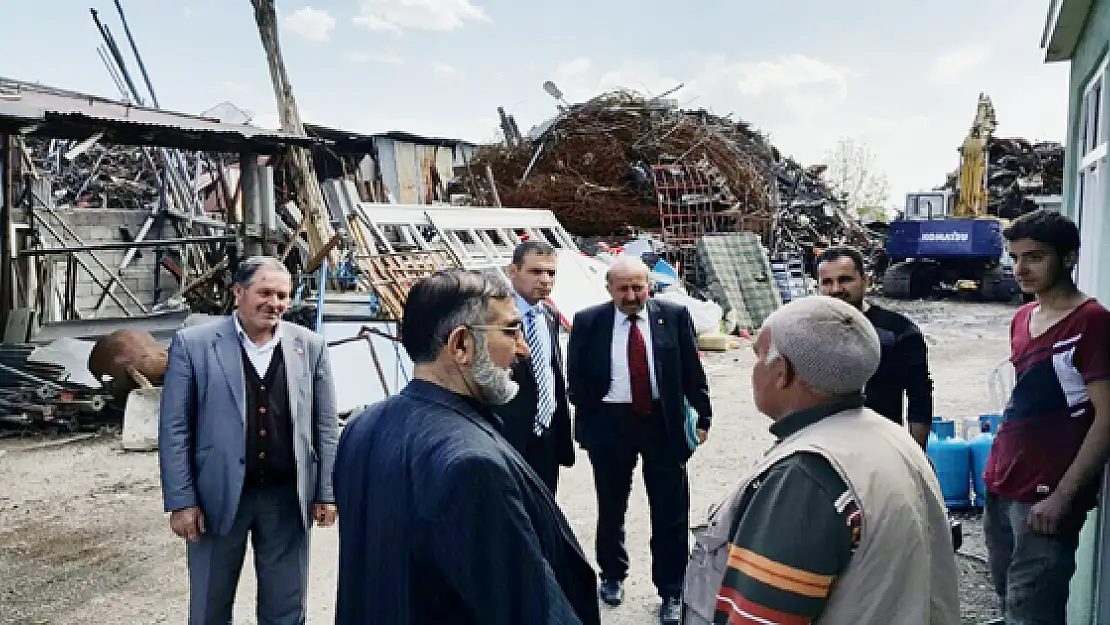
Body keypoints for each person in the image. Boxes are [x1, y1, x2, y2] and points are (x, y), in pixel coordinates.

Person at [332, 269, 601, 625]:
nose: (522, 349)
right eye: (510, 331)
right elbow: (526, 608)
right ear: (461, 345)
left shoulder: (361, 428)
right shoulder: (471, 464)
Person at [682, 295, 960, 625]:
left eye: (758, 357)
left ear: (781, 373)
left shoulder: (806, 477)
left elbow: (760, 617)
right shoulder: (890, 434)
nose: (753, 370)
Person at [158, 255, 339, 624]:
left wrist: (327, 491)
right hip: (216, 499)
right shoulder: (193, 345)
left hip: (286, 499)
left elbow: (325, 427)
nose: (275, 303)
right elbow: (175, 428)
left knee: (286, 609)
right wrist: (181, 500)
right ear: (238, 292)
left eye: (283, 296)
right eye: (265, 292)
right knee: (210, 606)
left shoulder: (310, 347)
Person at [567, 255, 712, 625]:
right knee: (611, 506)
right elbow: (576, 378)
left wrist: (702, 417)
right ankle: (612, 575)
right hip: (611, 425)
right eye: (623, 288)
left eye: (638, 287)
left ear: (650, 285)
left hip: (662, 423)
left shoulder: (674, 316)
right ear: (609, 289)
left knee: (671, 511)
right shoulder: (588, 321)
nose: (632, 295)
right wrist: (590, 419)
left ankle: (672, 590)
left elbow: (692, 372)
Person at [982, 209, 1110, 624]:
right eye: (1015, 257)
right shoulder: (1023, 317)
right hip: (1002, 484)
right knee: (1008, 602)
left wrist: (1063, 496)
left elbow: (1106, 419)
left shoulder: (1093, 323)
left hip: (1047, 494)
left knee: (1033, 613)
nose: (1021, 268)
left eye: (1034, 257)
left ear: (1069, 258)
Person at [816, 245, 934, 449]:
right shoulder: (807, 332)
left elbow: (919, 398)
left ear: (866, 281)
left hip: (882, 447)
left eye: (845, 280)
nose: (836, 289)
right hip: (824, 449)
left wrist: (916, 457)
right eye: (827, 282)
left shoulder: (899, 331)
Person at [496, 240, 575, 495]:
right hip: (510, 435)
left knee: (545, 510)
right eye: (536, 272)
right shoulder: (493, 317)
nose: (545, 280)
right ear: (513, 271)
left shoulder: (548, 316)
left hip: (547, 435)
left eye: (551, 273)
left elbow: (552, 373)